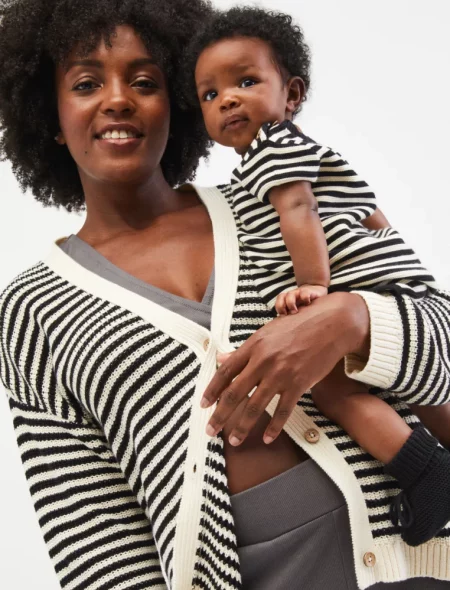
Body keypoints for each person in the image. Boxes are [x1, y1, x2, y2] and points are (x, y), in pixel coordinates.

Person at [0, 1, 450, 589]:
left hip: (412, 555)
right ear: (50, 115)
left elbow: (438, 335)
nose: (117, 99)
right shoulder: (32, 312)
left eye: (145, 82)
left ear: (178, 104)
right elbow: (94, 539)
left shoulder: (278, 201)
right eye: (86, 84)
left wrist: (350, 318)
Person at [185, 5, 450, 548]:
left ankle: (423, 470)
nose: (227, 99)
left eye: (246, 81)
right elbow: (368, 209)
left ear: (292, 93)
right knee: (410, 380)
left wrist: (315, 291)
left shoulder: (272, 150)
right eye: (210, 95)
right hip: (384, 272)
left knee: (327, 382)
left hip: (352, 282)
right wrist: (392, 250)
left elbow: (299, 214)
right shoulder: (303, 144)